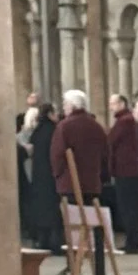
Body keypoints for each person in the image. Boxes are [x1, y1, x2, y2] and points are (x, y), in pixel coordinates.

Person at [52, 87, 109, 223]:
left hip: (70, 182)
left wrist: (57, 174)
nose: (64, 108)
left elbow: (57, 154)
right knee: (92, 219)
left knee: (74, 221)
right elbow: (105, 153)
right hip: (92, 182)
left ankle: (79, 244)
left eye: (65, 104)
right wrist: (103, 176)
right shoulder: (96, 126)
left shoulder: (64, 126)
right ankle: (97, 244)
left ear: (72, 106)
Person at [16, 93, 62, 251]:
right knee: (53, 212)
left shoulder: (38, 133)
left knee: (42, 211)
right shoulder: (55, 131)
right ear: (50, 114)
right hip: (52, 177)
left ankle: (42, 240)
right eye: (55, 113)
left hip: (38, 177)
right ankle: (55, 243)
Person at [105, 92, 138, 251]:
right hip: (128, 169)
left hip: (126, 170)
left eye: (113, 103)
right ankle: (134, 241)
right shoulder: (126, 121)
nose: (110, 107)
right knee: (130, 207)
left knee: (128, 207)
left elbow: (111, 141)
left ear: (122, 104)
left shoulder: (125, 121)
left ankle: (133, 243)